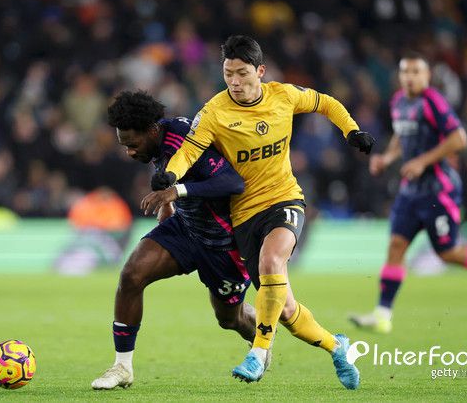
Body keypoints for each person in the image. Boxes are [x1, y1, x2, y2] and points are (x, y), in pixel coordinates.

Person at [146, 35, 375, 389]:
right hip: (243, 215)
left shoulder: (284, 95)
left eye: (242, 73)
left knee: (272, 262)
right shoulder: (214, 111)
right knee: (286, 311)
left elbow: (326, 103)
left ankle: (258, 353)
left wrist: (351, 130)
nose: (235, 82)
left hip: (285, 199)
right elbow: (189, 150)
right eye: (228, 74)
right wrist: (171, 175)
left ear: (261, 71)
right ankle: (337, 346)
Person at [348, 52, 467, 334]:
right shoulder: (398, 102)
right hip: (411, 191)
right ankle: (383, 315)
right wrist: (387, 157)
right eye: (405, 72)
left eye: (416, 72)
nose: (410, 78)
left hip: (438, 190)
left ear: (427, 76)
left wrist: (423, 161)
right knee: (396, 246)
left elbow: (460, 139)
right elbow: (402, 135)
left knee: (448, 252)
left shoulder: (433, 101)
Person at [91, 91, 258, 390]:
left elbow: (233, 183)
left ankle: (259, 338)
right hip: (186, 227)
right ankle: (122, 367)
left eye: (132, 144)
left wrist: (175, 193)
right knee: (131, 275)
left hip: (224, 242)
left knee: (230, 320)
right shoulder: (156, 142)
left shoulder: (185, 138)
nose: (129, 152)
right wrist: (169, 202)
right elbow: (171, 172)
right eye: (124, 145)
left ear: (151, 130)